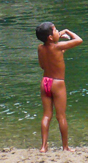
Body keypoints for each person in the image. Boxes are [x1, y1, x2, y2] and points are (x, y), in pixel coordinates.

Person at [35, 21, 83, 152]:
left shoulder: (40, 48)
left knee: (46, 115)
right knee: (61, 116)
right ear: (50, 37)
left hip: (45, 82)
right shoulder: (58, 47)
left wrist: (58, 34)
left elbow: (42, 66)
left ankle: (43, 146)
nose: (58, 32)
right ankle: (65, 147)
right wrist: (66, 31)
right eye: (56, 31)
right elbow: (79, 40)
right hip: (57, 83)